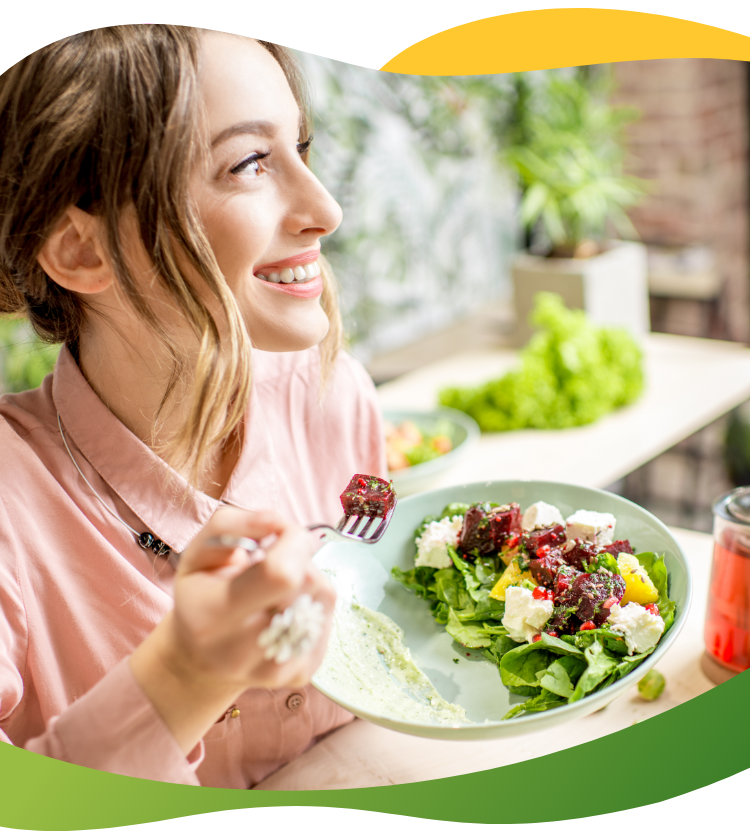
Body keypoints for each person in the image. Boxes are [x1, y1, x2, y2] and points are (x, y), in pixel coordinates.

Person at [0, 26, 387, 788]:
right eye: (249, 164)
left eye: (300, 150)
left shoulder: (333, 395)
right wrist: (183, 675)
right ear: (82, 251)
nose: (325, 209)